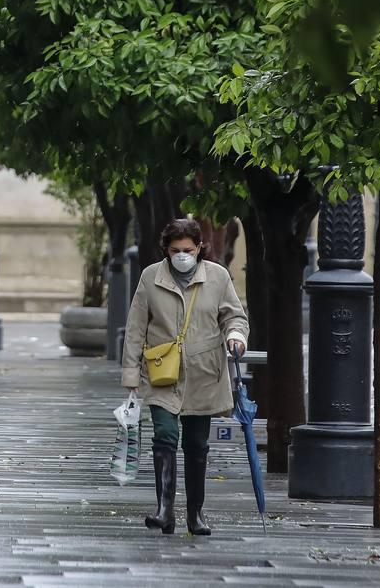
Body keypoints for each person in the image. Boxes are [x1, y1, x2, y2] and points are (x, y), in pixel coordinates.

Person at [122, 218, 249, 537]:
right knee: (164, 436)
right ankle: (165, 510)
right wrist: (130, 373)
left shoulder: (218, 277)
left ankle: (195, 514)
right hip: (162, 372)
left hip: (204, 374)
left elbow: (234, 315)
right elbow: (137, 326)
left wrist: (235, 336)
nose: (182, 255)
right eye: (176, 250)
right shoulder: (151, 277)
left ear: (199, 249)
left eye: (188, 250)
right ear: (166, 250)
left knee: (196, 444)